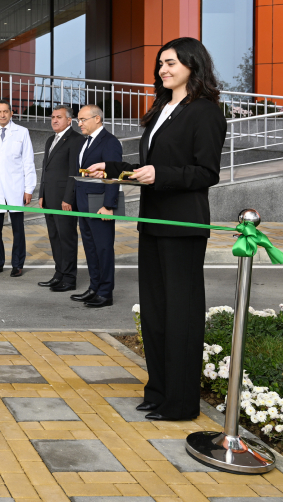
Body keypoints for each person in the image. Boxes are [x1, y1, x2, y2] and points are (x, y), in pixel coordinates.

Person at [88, 36, 226, 421]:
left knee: (180, 314)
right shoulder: (163, 108)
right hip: (152, 224)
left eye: (171, 63)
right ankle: (159, 390)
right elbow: (152, 164)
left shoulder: (206, 112)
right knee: (155, 313)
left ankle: (181, 403)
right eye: (161, 64)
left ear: (192, 65)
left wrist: (159, 174)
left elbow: (206, 172)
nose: (163, 69)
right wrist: (114, 170)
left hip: (182, 226)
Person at [71, 105, 122, 308]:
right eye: (78, 120)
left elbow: (114, 174)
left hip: (100, 205)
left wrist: (109, 206)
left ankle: (105, 292)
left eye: (83, 120)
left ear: (97, 119)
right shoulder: (87, 142)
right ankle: (94, 287)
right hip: (84, 205)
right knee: (91, 248)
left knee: (103, 249)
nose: (80, 124)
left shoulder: (110, 142)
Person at [0, 101, 36, 278]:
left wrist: (29, 189)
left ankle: (17, 264)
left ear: (12, 113)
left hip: (15, 188)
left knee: (18, 228)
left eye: (5, 111)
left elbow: (28, 162)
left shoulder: (22, 132)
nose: (2, 115)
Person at [37, 105, 84, 292]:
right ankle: (59, 274)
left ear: (69, 120)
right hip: (49, 198)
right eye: (52, 117)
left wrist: (68, 198)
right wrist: (41, 194)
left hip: (65, 200)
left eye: (59, 117)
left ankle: (69, 278)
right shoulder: (50, 140)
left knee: (67, 238)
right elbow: (45, 170)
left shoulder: (76, 140)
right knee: (55, 237)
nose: (54, 120)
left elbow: (74, 172)